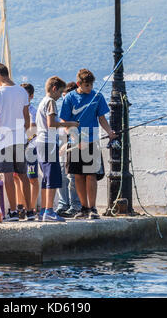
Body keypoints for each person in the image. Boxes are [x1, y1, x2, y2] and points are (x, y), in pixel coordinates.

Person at [60, 68, 117, 220]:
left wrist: (110, 132)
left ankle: (92, 208)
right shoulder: (69, 98)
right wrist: (76, 139)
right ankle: (83, 207)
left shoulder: (97, 97)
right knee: (78, 176)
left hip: (92, 140)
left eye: (91, 85)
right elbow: (65, 122)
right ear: (79, 83)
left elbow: (102, 118)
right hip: (75, 142)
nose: (89, 88)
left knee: (91, 175)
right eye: (86, 86)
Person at [0, 63, 34, 221]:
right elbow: (26, 116)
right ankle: (30, 211)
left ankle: (13, 211)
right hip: (20, 138)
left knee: (7, 175)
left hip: (4, 138)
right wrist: (26, 134)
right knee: (23, 174)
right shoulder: (22, 91)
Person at [36, 76, 79, 222]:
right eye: (60, 92)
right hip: (48, 143)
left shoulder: (42, 101)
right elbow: (51, 124)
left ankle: (43, 211)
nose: (61, 96)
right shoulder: (51, 102)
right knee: (53, 178)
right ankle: (49, 211)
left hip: (40, 143)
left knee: (46, 178)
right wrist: (70, 124)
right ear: (54, 89)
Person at [13, 83, 39, 219]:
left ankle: (32, 206)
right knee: (16, 177)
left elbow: (31, 130)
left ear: (31, 96)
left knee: (32, 178)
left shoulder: (33, 111)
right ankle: (20, 206)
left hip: (30, 148)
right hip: (18, 146)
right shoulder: (15, 111)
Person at [56, 82, 81, 218]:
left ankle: (75, 205)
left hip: (72, 146)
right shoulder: (64, 109)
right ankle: (63, 204)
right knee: (61, 176)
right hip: (62, 146)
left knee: (72, 177)